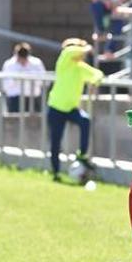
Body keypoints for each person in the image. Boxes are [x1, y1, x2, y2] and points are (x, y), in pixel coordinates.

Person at [45, 38, 104, 181]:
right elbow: (69, 51)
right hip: (56, 108)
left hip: (71, 109)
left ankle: (81, 154)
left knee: (85, 121)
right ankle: (56, 172)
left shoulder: (81, 67)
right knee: (55, 142)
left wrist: (94, 83)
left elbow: (98, 74)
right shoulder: (64, 63)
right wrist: (86, 47)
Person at [0, 42, 46, 113]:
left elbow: (44, 82)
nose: (23, 61)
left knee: (34, 122)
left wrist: (31, 77)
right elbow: (5, 85)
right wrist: (16, 78)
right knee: (14, 122)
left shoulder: (36, 63)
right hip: (15, 99)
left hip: (33, 98)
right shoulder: (9, 64)